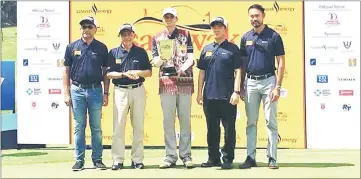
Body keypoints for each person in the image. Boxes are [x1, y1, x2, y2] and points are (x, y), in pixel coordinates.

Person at [238, 4, 286, 170]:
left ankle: (272, 157)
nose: (254, 19)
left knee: (270, 121)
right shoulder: (245, 38)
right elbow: (242, 65)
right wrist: (241, 86)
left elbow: (280, 63)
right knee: (251, 122)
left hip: (269, 82)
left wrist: (277, 86)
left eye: (257, 16)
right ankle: (250, 157)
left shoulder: (273, 36)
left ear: (263, 16)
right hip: (250, 83)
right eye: (251, 16)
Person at [63, 16, 109, 171]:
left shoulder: (102, 48)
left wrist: (106, 93)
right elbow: (66, 70)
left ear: (95, 29)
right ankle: (79, 160)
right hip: (77, 91)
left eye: (90, 27)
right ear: (80, 29)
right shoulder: (71, 47)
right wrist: (66, 92)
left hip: (96, 90)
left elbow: (105, 73)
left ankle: (97, 159)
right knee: (79, 127)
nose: (86, 30)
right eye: (84, 27)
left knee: (96, 127)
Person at [152, 7, 195, 169]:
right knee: (168, 121)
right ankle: (170, 156)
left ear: (176, 19)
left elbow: (191, 57)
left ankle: (186, 155)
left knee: (185, 120)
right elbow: (155, 61)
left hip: (184, 81)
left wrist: (182, 68)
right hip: (166, 82)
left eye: (171, 17)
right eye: (166, 17)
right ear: (162, 19)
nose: (169, 19)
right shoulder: (156, 37)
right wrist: (161, 59)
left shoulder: (186, 34)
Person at [197, 16, 242, 170]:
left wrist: (236, 91)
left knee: (229, 130)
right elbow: (201, 73)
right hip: (209, 96)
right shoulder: (206, 49)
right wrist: (199, 93)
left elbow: (238, 71)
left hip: (228, 97)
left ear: (225, 29)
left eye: (219, 27)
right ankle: (213, 158)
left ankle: (227, 159)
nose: (216, 29)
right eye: (214, 27)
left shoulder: (233, 49)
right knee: (212, 130)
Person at [107, 23, 152, 170]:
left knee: (138, 126)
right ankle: (117, 160)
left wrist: (136, 73)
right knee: (119, 126)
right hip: (120, 90)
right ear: (120, 36)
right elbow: (108, 74)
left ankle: (137, 160)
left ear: (134, 35)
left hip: (137, 90)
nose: (126, 37)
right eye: (123, 34)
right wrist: (123, 74)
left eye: (129, 34)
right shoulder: (113, 52)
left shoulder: (141, 51)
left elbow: (148, 72)